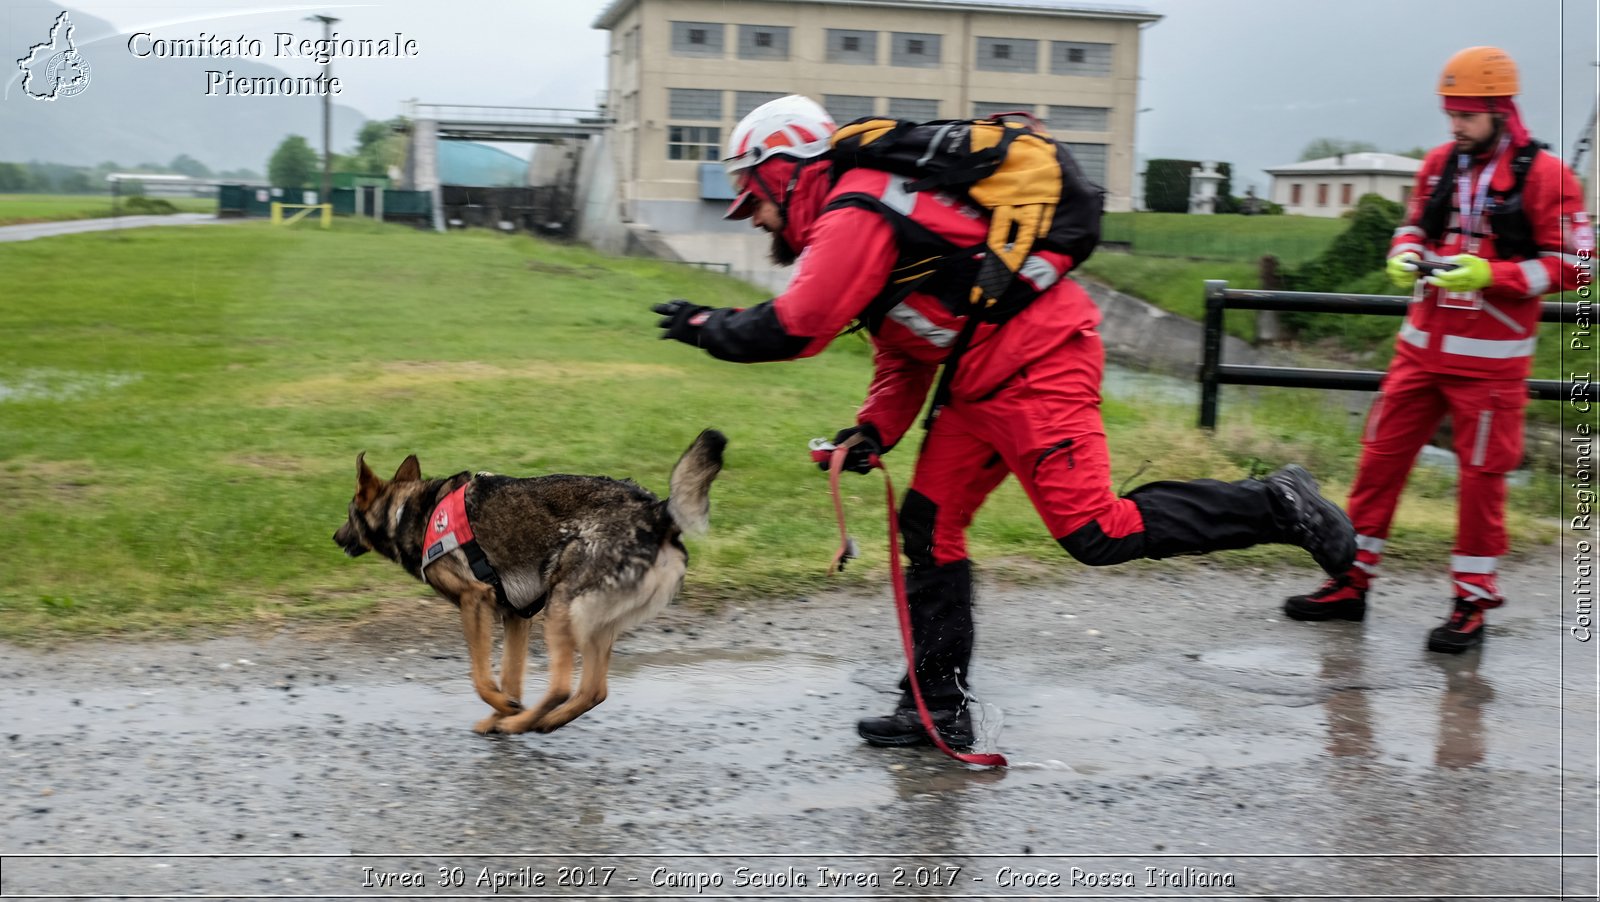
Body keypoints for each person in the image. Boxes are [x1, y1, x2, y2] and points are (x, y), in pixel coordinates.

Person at [651, 95, 1355, 749]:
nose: (753, 216)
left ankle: (1277, 503)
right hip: (976, 377)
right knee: (928, 527)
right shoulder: (854, 217)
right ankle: (938, 708)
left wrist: (705, 325)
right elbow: (906, 343)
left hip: (1037, 362)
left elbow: (798, 328)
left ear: (783, 173)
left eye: (753, 198)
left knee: (1095, 534)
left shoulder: (854, 210)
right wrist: (872, 430)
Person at [1284, 47, 1593, 653]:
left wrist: (1492, 275)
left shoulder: (1548, 176)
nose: (1455, 125)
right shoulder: (1438, 165)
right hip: (1419, 355)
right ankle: (1349, 581)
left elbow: (1579, 266)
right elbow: (1413, 226)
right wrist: (1402, 253)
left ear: (1503, 110)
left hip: (1491, 368)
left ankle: (1471, 603)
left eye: (1468, 115)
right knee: (1378, 464)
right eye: (1450, 113)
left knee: (1482, 484)